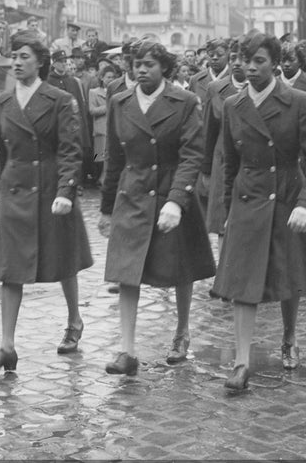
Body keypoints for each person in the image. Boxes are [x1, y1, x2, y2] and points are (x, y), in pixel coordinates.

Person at [211, 31, 306, 390]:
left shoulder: (299, 102)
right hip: (248, 200)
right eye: (246, 60)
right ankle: (241, 361)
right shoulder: (233, 106)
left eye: (259, 61)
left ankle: (290, 336)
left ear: (275, 63)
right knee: (241, 282)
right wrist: (227, 210)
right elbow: (230, 164)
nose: (250, 68)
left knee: (288, 275)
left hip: (286, 199)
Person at [0, 30, 93, 371]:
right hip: (16, 189)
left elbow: (71, 149)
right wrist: (6, 178)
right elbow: (1, 148)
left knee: (63, 260)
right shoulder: (2, 102)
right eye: (13, 56)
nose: (16, 62)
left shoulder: (59, 99)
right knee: (9, 268)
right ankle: (7, 346)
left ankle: (74, 321)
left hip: (50, 189)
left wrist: (65, 191)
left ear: (40, 62)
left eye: (24, 56)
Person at [98, 41, 215, 376]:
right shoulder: (120, 102)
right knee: (126, 270)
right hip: (132, 194)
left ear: (165, 67)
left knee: (181, 268)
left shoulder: (185, 102)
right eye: (137, 64)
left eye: (149, 64)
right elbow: (114, 157)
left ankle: (181, 332)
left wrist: (177, 201)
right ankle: (127, 349)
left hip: (171, 193)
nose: (141, 70)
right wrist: (106, 208)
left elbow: (193, 154)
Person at [202, 42, 249, 248]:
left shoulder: (259, 87)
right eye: (233, 59)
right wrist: (205, 171)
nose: (237, 64)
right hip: (223, 163)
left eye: (243, 59)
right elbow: (208, 133)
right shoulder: (215, 89)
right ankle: (224, 272)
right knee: (223, 222)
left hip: (251, 162)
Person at [88, 63, 120, 183]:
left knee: (110, 156)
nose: (110, 79)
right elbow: (92, 110)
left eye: (113, 77)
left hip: (113, 127)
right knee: (98, 156)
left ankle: (106, 178)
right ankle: (99, 177)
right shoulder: (93, 92)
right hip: (100, 129)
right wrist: (107, 106)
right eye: (108, 77)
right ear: (102, 77)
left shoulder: (117, 91)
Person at [188, 38, 229, 103]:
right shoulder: (195, 80)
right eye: (211, 55)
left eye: (220, 55)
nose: (215, 58)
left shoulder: (235, 78)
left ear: (227, 55)